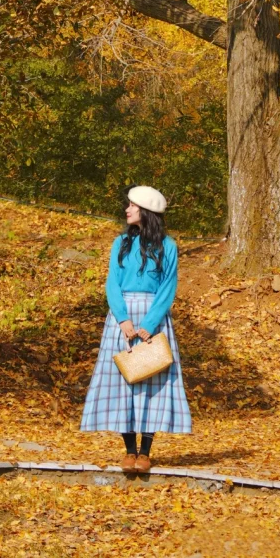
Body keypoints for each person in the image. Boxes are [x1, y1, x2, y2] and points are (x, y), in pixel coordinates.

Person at [80, 184, 191, 473]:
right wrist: (123, 319)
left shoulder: (168, 246)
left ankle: (145, 452)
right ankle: (129, 451)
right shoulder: (121, 243)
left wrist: (149, 325)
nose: (127, 209)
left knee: (152, 382)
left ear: (146, 212)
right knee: (123, 382)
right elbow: (112, 283)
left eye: (132, 205)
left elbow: (168, 287)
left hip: (153, 320)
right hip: (122, 319)